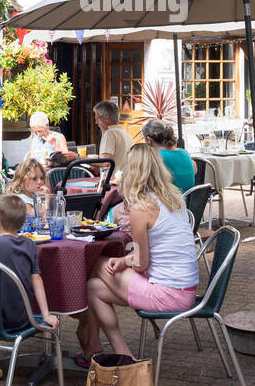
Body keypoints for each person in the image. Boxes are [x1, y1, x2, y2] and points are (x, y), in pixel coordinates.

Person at [79, 144, 200, 362]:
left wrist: (124, 261)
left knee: (96, 263)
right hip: (186, 287)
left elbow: (142, 264)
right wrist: (124, 260)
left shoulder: (141, 208)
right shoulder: (173, 197)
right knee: (93, 288)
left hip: (167, 292)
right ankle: (119, 355)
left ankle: (92, 341)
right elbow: (150, 256)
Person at [0, 194, 58, 333]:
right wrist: (46, 314)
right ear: (22, 222)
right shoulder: (30, 244)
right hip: (24, 319)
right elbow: (37, 279)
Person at [142, 118, 194, 195]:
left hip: (168, 203)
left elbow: (143, 180)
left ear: (149, 140)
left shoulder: (156, 156)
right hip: (186, 202)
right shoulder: (184, 153)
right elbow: (194, 170)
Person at [94, 99, 132, 171]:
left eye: (97, 118)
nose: (96, 122)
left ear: (106, 118)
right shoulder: (124, 132)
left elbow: (105, 162)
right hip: (125, 178)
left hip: (112, 180)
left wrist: (79, 157)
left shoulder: (110, 133)